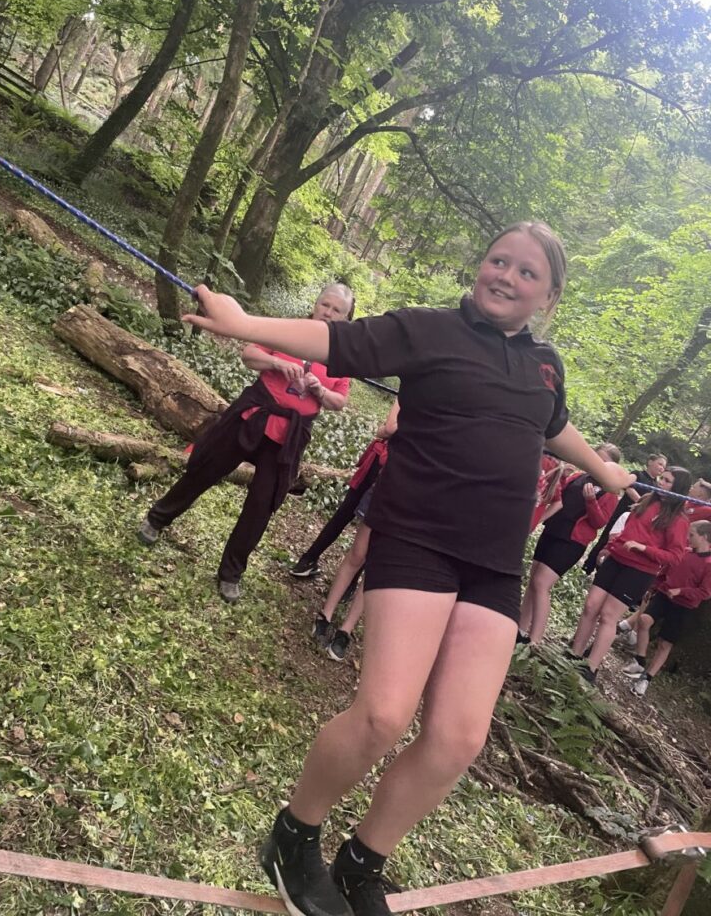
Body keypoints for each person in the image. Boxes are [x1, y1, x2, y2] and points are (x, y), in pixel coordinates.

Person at [182, 220, 633, 916]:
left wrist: (603, 469)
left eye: (527, 272)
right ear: (480, 266)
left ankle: (362, 862)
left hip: (493, 563)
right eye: (499, 260)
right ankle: (293, 836)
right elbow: (335, 342)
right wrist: (245, 324)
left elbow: (552, 425)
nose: (506, 276)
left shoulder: (546, 365)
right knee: (384, 716)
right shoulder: (428, 330)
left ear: (549, 297)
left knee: (458, 739)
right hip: (418, 537)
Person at [137, 284, 354, 603]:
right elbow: (249, 355)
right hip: (254, 415)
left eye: (337, 310)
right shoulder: (288, 330)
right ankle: (157, 519)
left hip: (289, 436)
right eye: (325, 305)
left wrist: (320, 390)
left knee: (261, 505)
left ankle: (231, 573)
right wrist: (276, 363)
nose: (328, 313)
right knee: (206, 469)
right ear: (315, 304)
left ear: (346, 318)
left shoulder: (342, 357)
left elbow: (340, 401)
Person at [569, 466, 691, 683]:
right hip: (616, 560)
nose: (661, 483)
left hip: (639, 571)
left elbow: (675, 557)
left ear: (678, 488)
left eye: (667, 481)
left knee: (608, 616)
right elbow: (628, 530)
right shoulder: (646, 500)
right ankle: (574, 655)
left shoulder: (678, 520)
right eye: (662, 478)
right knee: (591, 606)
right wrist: (610, 548)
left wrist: (644, 549)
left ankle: (590, 667)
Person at [518, 443, 622, 644]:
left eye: (603, 461)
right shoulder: (579, 476)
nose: (597, 463)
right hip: (553, 530)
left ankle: (535, 639)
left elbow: (599, 522)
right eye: (595, 457)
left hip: (573, 541)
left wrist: (591, 501)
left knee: (541, 583)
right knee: (533, 580)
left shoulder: (610, 492)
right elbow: (559, 496)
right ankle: (520, 629)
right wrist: (564, 476)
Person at [291, 401, 399, 579]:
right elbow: (387, 430)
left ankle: (308, 560)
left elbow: (387, 429)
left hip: (387, 465)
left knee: (348, 516)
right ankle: (345, 582)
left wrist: (387, 429)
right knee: (370, 527)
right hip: (391, 466)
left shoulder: (410, 394)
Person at [624, 520, 711, 696]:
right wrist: (653, 587)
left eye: (692, 535)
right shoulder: (684, 552)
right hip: (664, 595)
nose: (688, 538)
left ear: (704, 537)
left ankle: (646, 679)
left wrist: (681, 591)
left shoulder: (709, 563)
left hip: (684, 606)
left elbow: (705, 592)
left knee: (665, 643)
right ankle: (640, 660)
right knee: (644, 620)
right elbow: (664, 572)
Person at [312, 484, 377, 662]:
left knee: (375, 567)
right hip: (387, 493)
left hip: (412, 511)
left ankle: (346, 629)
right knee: (357, 554)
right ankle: (326, 613)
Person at [582, 453, 667, 575]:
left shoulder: (656, 486)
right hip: (621, 513)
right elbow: (628, 487)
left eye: (664, 467)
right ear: (650, 462)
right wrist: (641, 503)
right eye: (660, 464)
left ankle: (604, 571)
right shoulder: (637, 474)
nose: (661, 468)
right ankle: (588, 566)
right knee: (606, 539)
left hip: (636, 520)